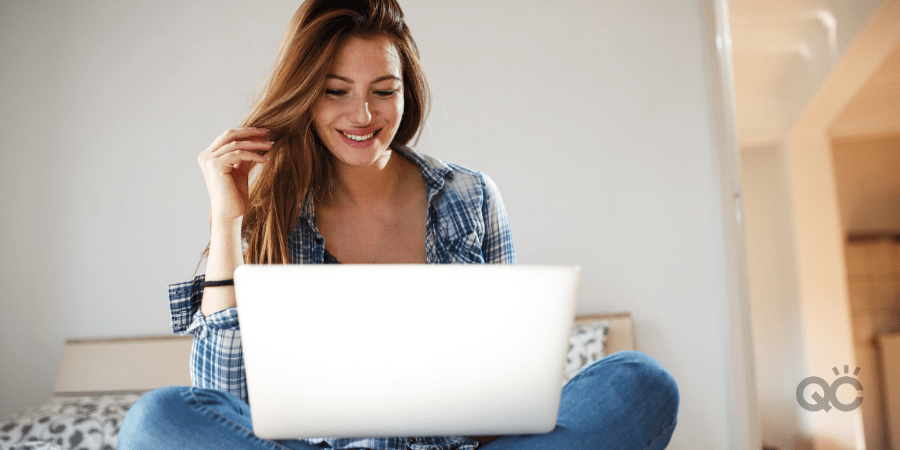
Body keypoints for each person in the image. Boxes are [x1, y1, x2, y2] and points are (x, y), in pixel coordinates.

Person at [118, 0, 679, 448]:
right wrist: (226, 222)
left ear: (407, 93)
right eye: (337, 93)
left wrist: (485, 406)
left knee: (639, 382)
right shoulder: (273, 210)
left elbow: (509, 397)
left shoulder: (472, 197)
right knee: (154, 420)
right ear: (307, 97)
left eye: (383, 91)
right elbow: (221, 399)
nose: (363, 116)